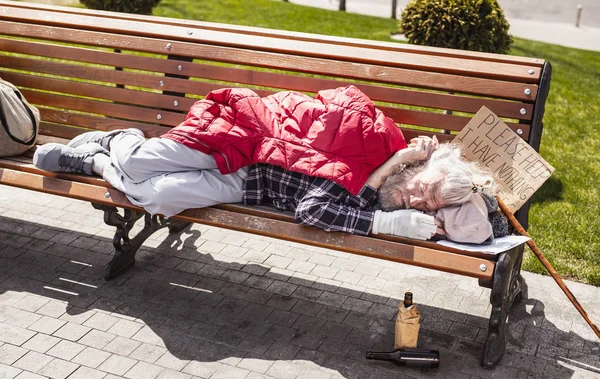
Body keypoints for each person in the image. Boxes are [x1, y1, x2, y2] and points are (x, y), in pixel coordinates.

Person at [33, 127, 496, 241]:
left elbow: (484, 222)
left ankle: (95, 162)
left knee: (158, 196)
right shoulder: (382, 152)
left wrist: (454, 200)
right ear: (422, 165)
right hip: (241, 142)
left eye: (428, 204)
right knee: (137, 164)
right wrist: (388, 221)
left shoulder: (380, 192)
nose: (414, 198)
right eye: (423, 186)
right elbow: (314, 211)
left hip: (250, 186)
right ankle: (117, 141)